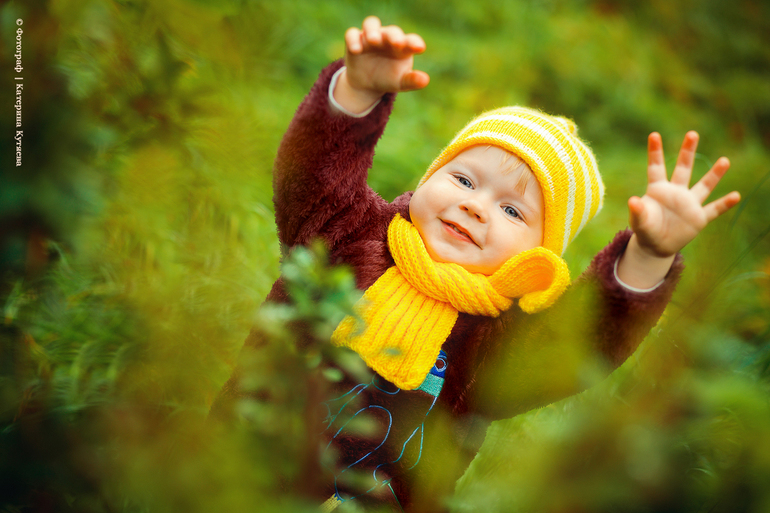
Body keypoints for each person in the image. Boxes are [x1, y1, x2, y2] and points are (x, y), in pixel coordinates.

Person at [211, 16, 740, 512]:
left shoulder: (499, 340)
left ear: (538, 250)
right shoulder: (346, 229)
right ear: (431, 174)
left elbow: (581, 344)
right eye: (464, 179)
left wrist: (648, 255)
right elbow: (314, 171)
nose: (474, 205)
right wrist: (356, 93)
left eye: (512, 209)